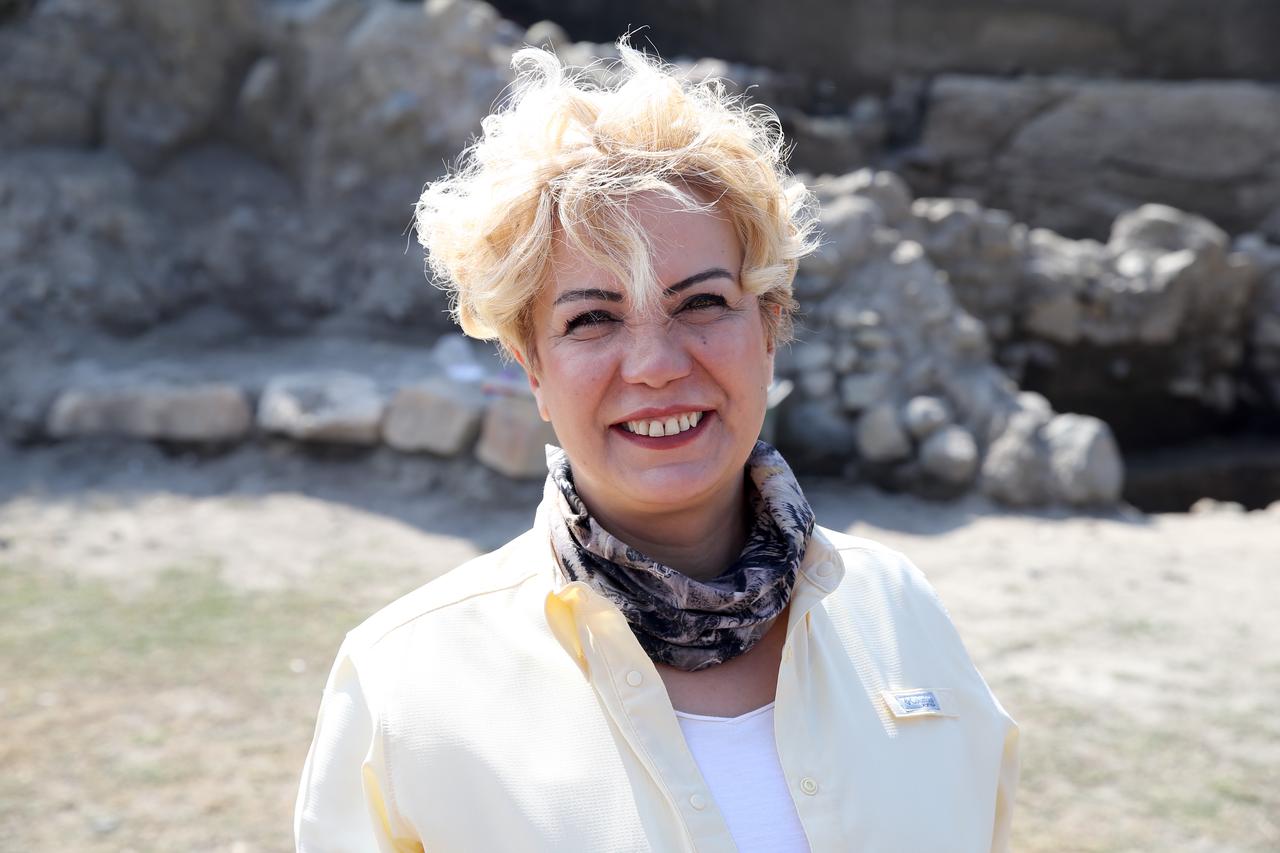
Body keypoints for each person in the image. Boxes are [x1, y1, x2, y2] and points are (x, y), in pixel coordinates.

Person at [295, 40, 1018, 853]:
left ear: (770, 323)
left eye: (702, 302)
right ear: (532, 365)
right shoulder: (406, 688)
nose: (657, 366)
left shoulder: (899, 611)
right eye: (592, 318)